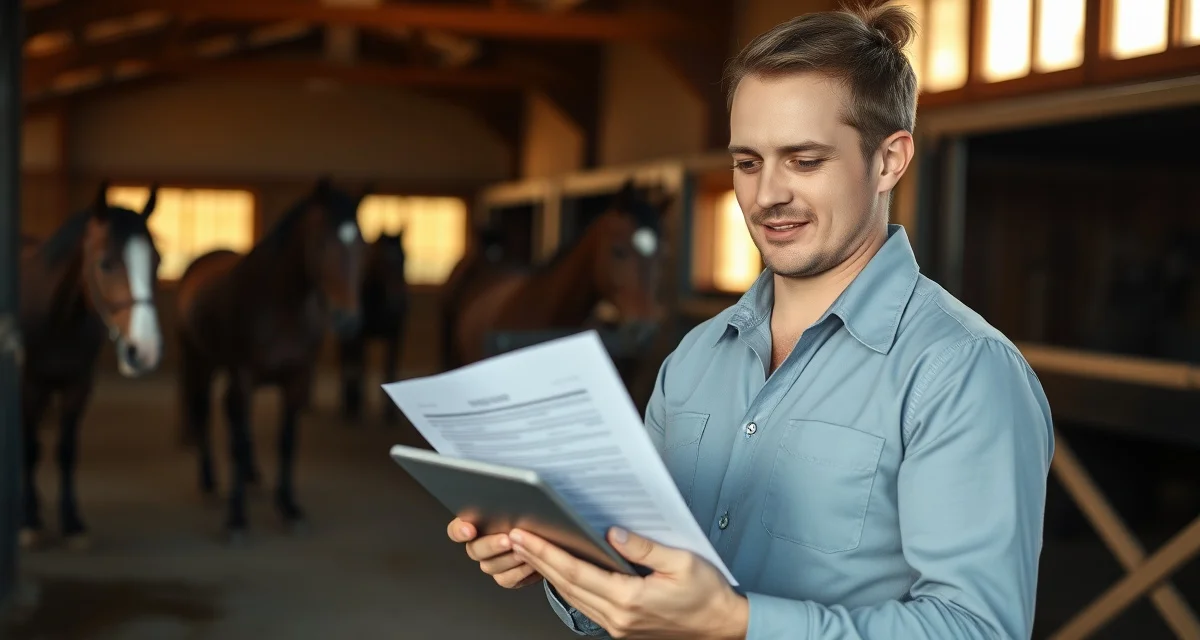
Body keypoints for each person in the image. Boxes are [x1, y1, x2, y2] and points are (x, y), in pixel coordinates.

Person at [446, 1, 1055, 638]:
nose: (767, 196)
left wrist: (738, 622)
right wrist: (560, 555)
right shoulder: (694, 359)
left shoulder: (961, 372)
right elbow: (641, 573)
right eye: (747, 162)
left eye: (805, 160)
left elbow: (978, 628)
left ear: (889, 160)